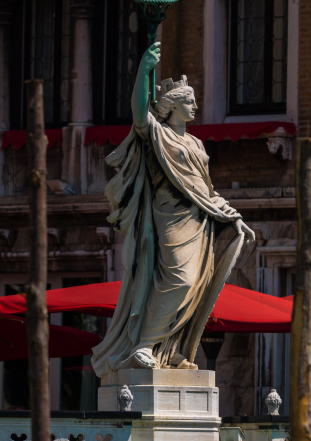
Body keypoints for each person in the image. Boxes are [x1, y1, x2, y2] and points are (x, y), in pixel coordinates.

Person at [91, 43, 254, 377]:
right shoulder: (157, 135)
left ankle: (171, 348)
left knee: (196, 284)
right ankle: (144, 345)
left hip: (200, 221)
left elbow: (205, 189)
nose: (195, 105)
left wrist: (233, 216)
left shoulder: (195, 143)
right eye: (189, 101)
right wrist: (143, 70)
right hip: (169, 218)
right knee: (177, 280)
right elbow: (139, 112)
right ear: (172, 106)